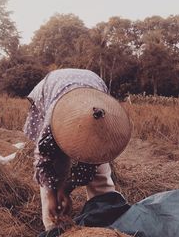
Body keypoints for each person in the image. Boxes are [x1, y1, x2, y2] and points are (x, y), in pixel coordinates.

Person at [23, 68, 131, 231]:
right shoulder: (53, 123)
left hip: (92, 89)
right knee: (56, 170)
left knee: (100, 176)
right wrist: (54, 194)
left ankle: (104, 219)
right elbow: (44, 161)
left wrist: (66, 190)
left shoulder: (104, 121)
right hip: (54, 90)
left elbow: (90, 164)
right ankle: (53, 228)